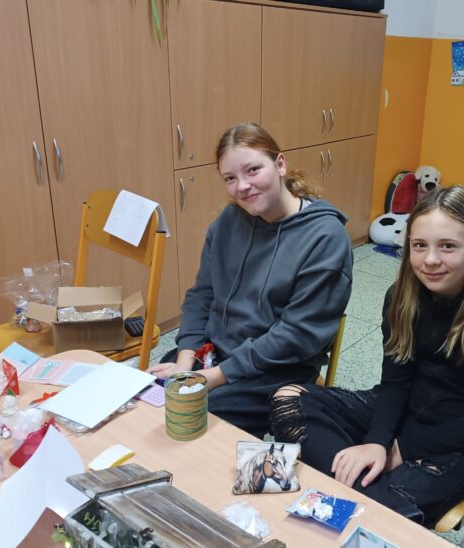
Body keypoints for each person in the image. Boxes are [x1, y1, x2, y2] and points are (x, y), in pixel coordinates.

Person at [270, 186, 464, 527]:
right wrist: (377, 442)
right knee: (288, 399)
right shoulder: (401, 298)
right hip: (402, 412)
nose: (430, 259)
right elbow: (395, 383)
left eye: (448, 246)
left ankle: (351, 490)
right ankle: (356, 486)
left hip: (456, 443)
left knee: (384, 511)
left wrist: (400, 449)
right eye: (420, 245)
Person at [151, 122, 353, 437]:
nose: (242, 186)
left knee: (192, 423)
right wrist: (185, 360)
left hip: (277, 368)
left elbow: (295, 336)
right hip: (216, 352)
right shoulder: (228, 222)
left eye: (253, 170)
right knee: (150, 399)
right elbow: (202, 295)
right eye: (230, 178)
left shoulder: (325, 237)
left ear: (280, 164)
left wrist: (215, 376)